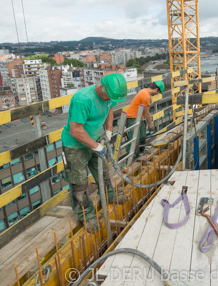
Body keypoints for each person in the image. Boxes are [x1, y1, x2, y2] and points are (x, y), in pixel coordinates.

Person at [61, 73, 128, 232]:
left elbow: (109, 109)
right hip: (75, 145)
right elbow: (75, 130)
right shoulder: (83, 99)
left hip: (96, 138)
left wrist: (109, 131)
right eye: (108, 97)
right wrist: (96, 146)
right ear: (101, 87)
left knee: (103, 171)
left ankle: (109, 195)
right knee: (79, 182)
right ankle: (86, 213)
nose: (108, 100)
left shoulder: (109, 95)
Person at [124, 81, 164, 158]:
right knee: (133, 141)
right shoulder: (146, 96)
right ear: (156, 89)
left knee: (142, 137)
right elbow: (147, 113)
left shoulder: (145, 92)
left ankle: (140, 155)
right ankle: (131, 160)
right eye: (158, 92)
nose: (157, 94)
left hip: (139, 118)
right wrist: (151, 125)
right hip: (133, 118)